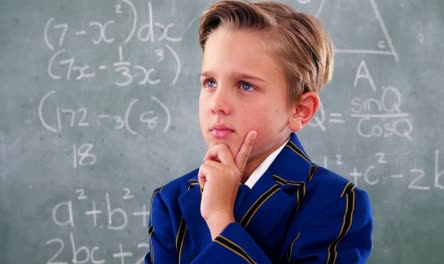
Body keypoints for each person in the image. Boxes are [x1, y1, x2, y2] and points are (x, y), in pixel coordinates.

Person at [145, 1, 373, 263]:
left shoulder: (336, 202)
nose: (217, 104)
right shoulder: (171, 201)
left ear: (300, 110)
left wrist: (220, 219)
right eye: (210, 82)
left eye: (245, 85)